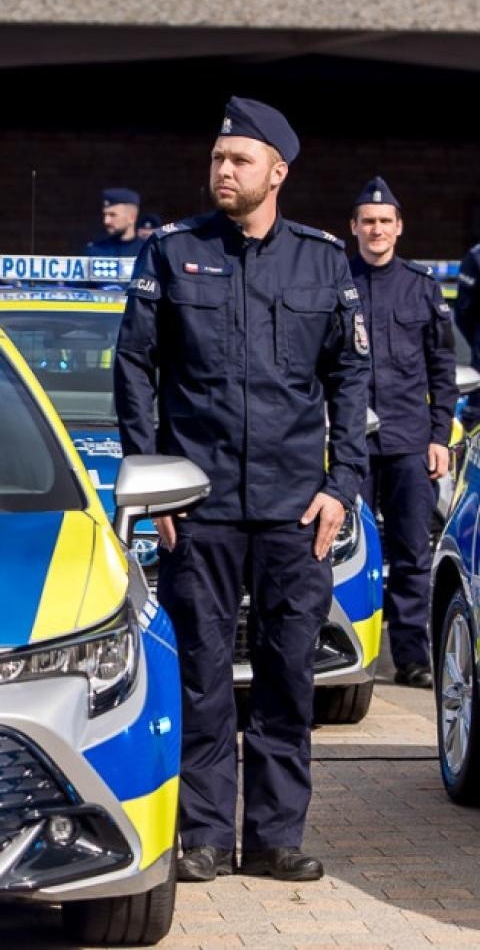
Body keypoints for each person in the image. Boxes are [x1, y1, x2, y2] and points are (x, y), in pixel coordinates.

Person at [114, 97, 368, 884]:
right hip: (199, 505)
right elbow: (134, 368)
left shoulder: (323, 261)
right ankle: (199, 834)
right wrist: (153, 482)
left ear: (276, 172)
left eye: (239, 160)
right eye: (218, 158)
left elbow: (351, 378)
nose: (222, 170)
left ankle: (273, 838)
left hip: (297, 512)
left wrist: (342, 485)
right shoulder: (172, 251)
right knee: (201, 676)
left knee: (288, 676)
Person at [348, 175, 455, 690]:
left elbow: (443, 370)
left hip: (410, 442)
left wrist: (440, 437)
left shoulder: (421, 286)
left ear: (399, 227)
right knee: (343, 551)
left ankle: (412, 658)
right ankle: (343, 653)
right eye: (368, 221)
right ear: (353, 227)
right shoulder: (335, 284)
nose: (377, 230)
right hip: (349, 444)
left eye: (385, 221)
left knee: (412, 552)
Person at [84, 188, 143, 257]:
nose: (106, 221)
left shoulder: (147, 252)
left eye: (113, 215)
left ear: (132, 217)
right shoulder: (95, 250)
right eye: (105, 215)